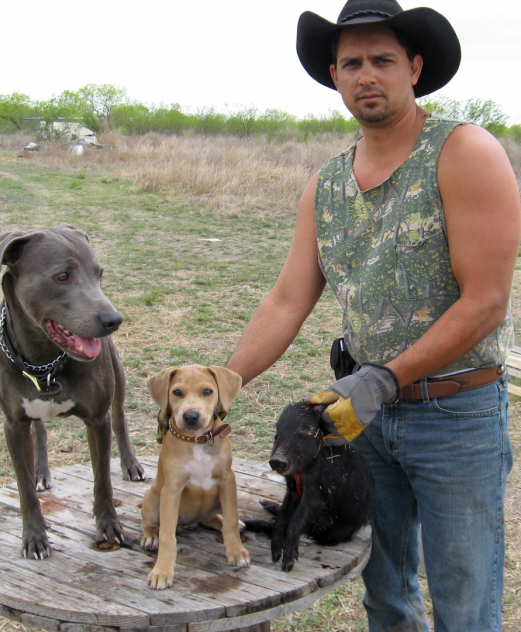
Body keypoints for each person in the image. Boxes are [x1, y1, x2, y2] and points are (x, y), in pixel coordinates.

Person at [225, 1, 521, 630]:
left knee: (464, 605)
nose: (367, 75)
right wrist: (222, 386)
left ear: (414, 68)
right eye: (351, 62)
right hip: (362, 420)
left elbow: (486, 301)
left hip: (457, 416)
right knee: (385, 593)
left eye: (383, 60)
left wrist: (384, 376)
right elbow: (285, 301)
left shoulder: (465, 152)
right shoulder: (325, 186)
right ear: (334, 76)